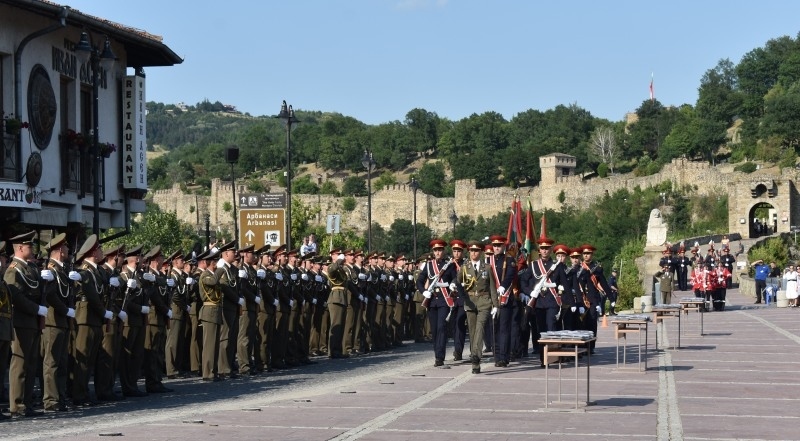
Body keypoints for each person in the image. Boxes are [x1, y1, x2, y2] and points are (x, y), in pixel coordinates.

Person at [4, 231, 47, 417]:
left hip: (32, 322)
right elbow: (16, 296)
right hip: (22, 321)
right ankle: (17, 404)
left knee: (30, 364)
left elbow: (37, 290)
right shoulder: (14, 269)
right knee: (20, 364)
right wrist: (36, 309)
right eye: (29, 246)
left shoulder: (29, 268)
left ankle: (26, 403)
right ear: (20, 248)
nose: (32, 249)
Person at [72, 234, 115, 406]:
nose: (101, 252)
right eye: (99, 249)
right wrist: (104, 312)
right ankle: (79, 394)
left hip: (95, 318)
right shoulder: (84, 271)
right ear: (92, 252)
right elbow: (91, 295)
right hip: (86, 317)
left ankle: (85, 393)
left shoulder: (96, 271)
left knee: (90, 360)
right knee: (82, 360)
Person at [40, 233, 75, 412]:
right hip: (53, 321)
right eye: (66, 247)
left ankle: (60, 398)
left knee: (62, 363)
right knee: (51, 363)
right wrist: (65, 310)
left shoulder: (62, 270)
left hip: (62, 322)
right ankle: (51, 400)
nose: (68, 250)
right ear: (60, 250)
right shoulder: (52, 270)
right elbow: (51, 295)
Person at [452, 241, 497, 374]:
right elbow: (458, 280)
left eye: (476, 251)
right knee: (472, 332)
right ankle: (475, 363)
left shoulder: (487, 267)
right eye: (471, 251)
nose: (473, 253)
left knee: (480, 327)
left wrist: (495, 304)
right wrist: (453, 285)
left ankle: (476, 356)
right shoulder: (464, 267)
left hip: (484, 301)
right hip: (470, 301)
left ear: (481, 252)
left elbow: (492, 287)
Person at [416, 239, 457, 367]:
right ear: (433, 252)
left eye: (440, 250)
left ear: (443, 251)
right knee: (434, 329)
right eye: (436, 250)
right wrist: (424, 292)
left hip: (444, 300)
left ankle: (440, 356)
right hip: (432, 301)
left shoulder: (449, 265)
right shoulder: (428, 265)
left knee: (441, 327)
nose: (438, 252)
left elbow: (455, 277)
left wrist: (452, 284)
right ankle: (436, 354)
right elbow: (419, 281)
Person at [486, 236, 516, 368]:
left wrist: (503, 285)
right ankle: (496, 355)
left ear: (503, 246)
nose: (497, 248)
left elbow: (510, 275)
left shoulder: (509, 260)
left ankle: (504, 357)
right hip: (492, 299)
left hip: (505, 298)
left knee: (504, 329)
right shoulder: (487, 261)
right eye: (495, 245)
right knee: (494, 328)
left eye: (499, 245)